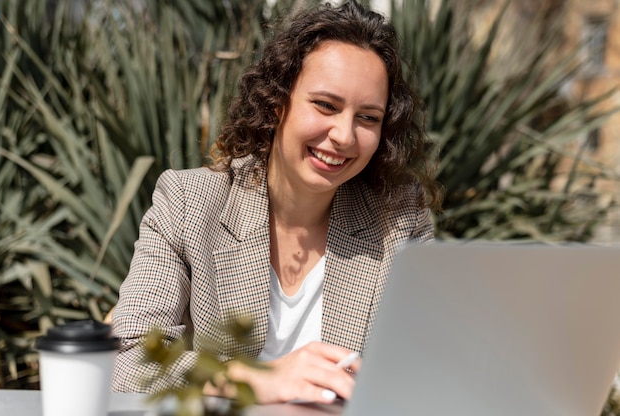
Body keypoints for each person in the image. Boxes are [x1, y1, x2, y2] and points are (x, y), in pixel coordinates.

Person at [111, 0, 441, 404]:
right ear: (276, 101)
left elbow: (430, 369)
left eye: (368, 117)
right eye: (326, 105)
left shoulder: (399, 221)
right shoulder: (188, 204)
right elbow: (129, 361)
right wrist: (253, 379)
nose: (344, 135)